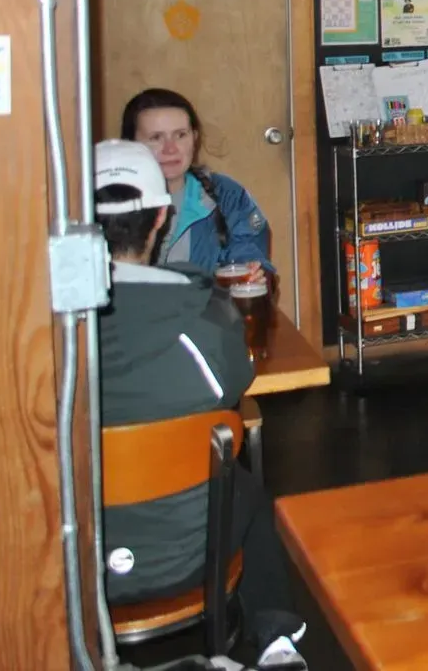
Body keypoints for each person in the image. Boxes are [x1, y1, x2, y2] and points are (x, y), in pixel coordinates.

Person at [93, 139, 305, 666]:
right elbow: (235, 383)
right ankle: (276, 642)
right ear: (162, 217)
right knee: (245, 486)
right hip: (187, 559)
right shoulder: (204, 322)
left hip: (70, 562)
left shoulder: (45, 334)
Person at [121, 88, 274, 276]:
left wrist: (255, 274)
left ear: (195, 137)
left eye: (180, 135)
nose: (171, 149)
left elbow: (251, 258)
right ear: (130, 144)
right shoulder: (110, 202)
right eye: (156, 138)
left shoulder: (227, 195)